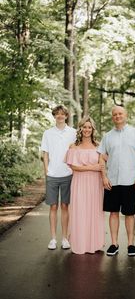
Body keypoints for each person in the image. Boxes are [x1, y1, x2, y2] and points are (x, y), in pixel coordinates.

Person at [98, 106, 135, 257]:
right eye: (115, 114)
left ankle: (131, 244)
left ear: (126, 115)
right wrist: (104, 177)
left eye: (120, 113)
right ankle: (114, 244)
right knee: (113, 213)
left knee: (129, 214)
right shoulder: (107, 136)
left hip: (130, 180)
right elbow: (101, 157)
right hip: (112, 181)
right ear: (112, 117)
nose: (117, 116)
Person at [65, 116, 105, 254]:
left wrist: (99, 169)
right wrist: (92, 168)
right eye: (84, 127)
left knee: (94, 211)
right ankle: (79, 243)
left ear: (93, 130)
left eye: (89, 127)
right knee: (80, 211)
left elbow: (102, 165)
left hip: (95, 184)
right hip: (79, 183)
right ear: (80, 129)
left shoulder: (99, 146)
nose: (87, 130)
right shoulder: (73, 146)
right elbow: (74, 167)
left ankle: (94, 244)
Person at [41, 105, 76, 250]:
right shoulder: (48, 133)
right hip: (52, 175)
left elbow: (77, 151)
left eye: (63, 114)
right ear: (54, 116)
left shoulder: (73, 133)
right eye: (57, 114)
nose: (60, 116)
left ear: (66, 116)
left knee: (65, 206)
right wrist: (47, 172)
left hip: (68, 174)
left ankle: (65, 239)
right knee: (53, 206)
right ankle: (53, 239)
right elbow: (45, 154)